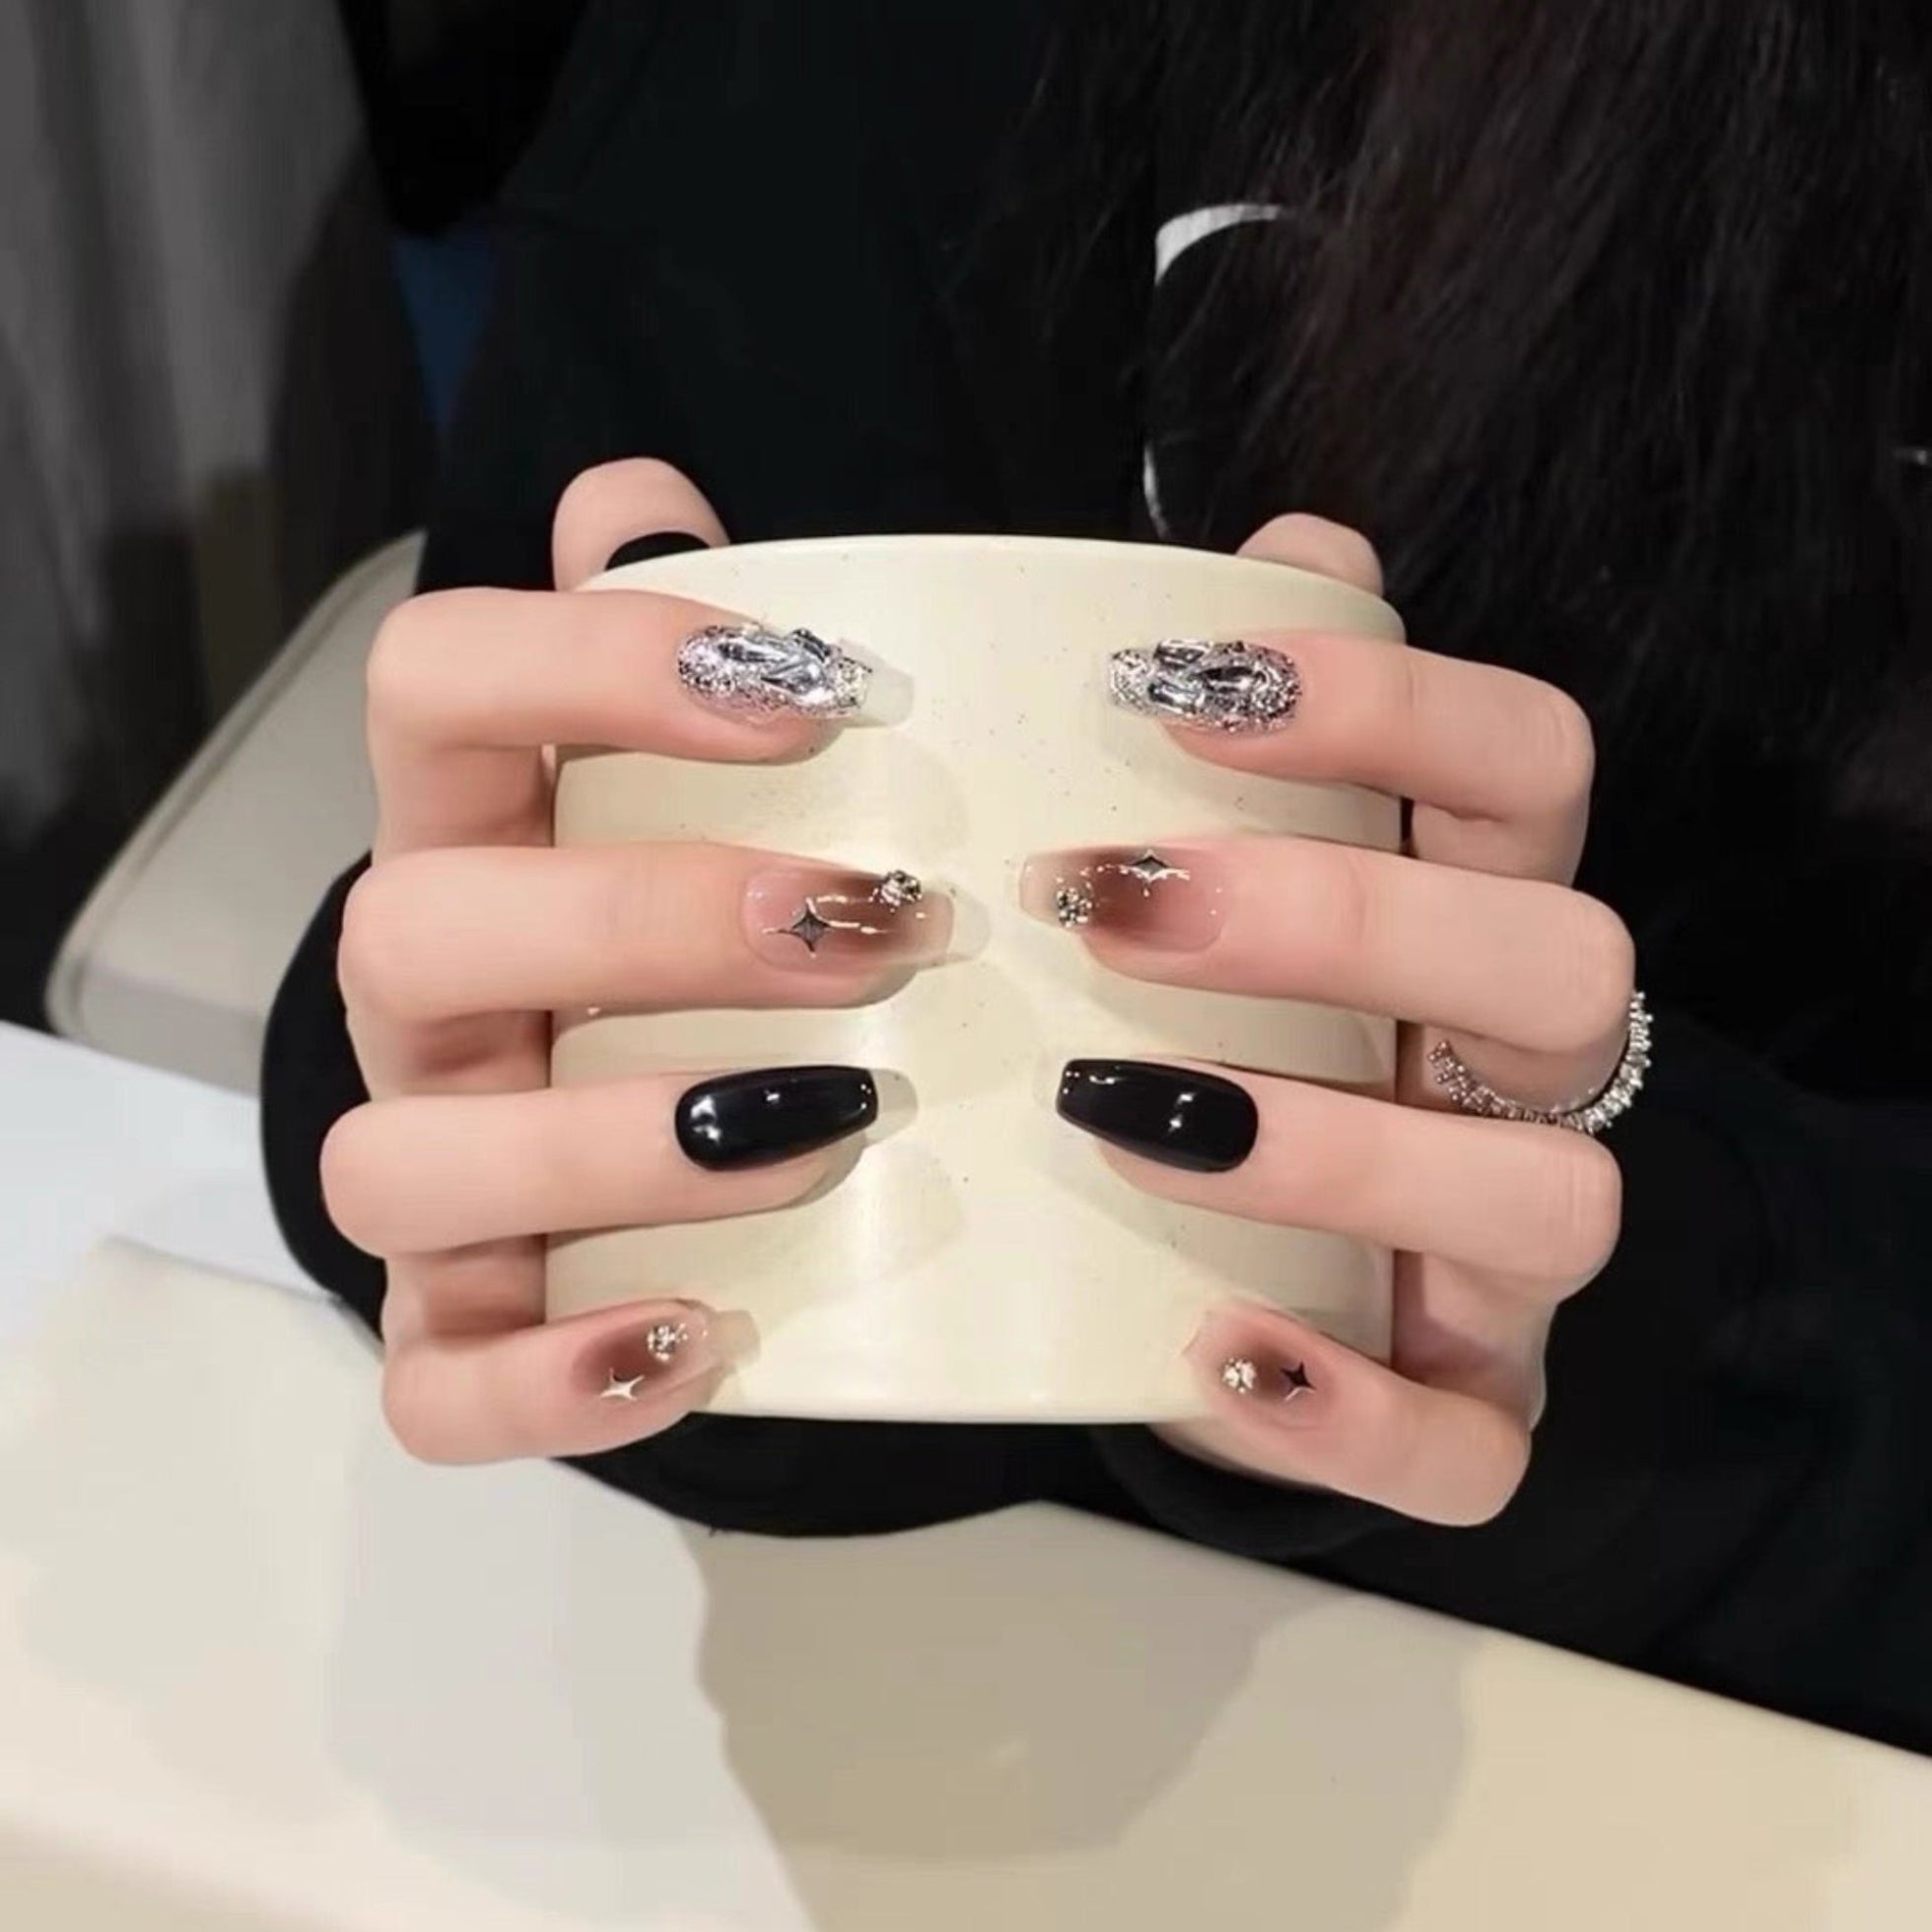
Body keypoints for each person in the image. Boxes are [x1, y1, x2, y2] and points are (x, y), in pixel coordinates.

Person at [263, 1, 1932, 1753]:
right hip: (937, 1704)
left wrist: (1612, 1269)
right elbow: (452, 987)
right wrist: (550, 1154)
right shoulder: (849, 73)